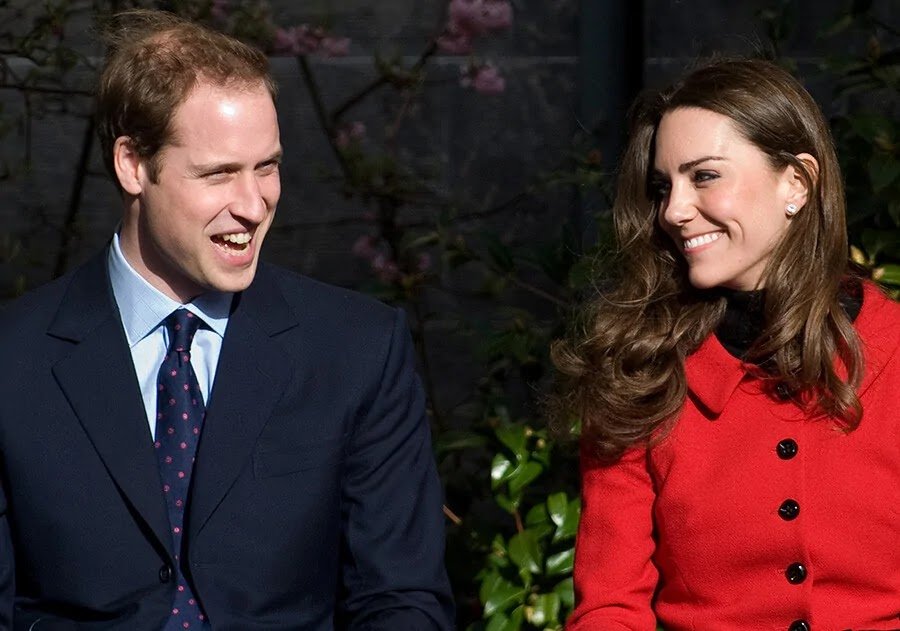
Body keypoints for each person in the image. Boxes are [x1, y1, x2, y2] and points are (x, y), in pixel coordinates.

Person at [0, 9, 453, 630]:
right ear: (132, 164)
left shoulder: (357, 350)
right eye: (218, 174)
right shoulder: (12, 361)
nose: (253, 204)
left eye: (266, 166)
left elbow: (401, 599)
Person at [552, 58, 900, 630]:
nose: (674, 211)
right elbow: (611, 609)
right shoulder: (639, 374)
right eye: (663, 187)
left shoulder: (890, 353)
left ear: (798, 181)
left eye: (705, 176)